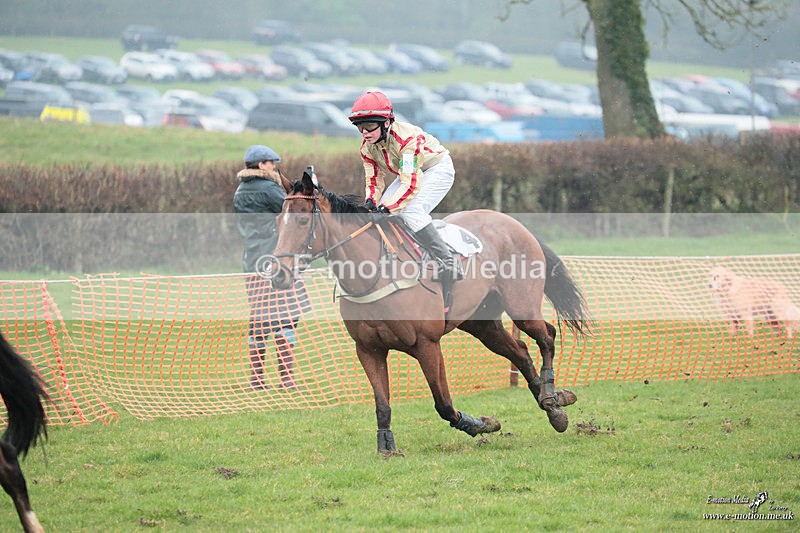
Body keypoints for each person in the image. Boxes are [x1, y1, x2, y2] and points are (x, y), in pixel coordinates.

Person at [348, 90, 463, 280]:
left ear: (386, 123)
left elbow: (410, 184)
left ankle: (449, 262)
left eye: (369, 127)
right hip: (409, 173)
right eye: (360, 128)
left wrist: (386, 209)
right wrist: (371, 202)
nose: (365, 133)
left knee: (411, 211)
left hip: (437, 169)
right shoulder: (367, 147)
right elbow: (374, 179)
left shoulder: (408, 140)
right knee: (382, 210)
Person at [233, 144, 311, 390]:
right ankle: (286, 379)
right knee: (286, 318)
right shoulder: (269, 190)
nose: (275, 167)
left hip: (252, 263)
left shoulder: (239, 192)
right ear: (260, 165)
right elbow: (292, 211)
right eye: (271, 163)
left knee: (259, 320)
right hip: (278, 263)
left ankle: (257, 379)